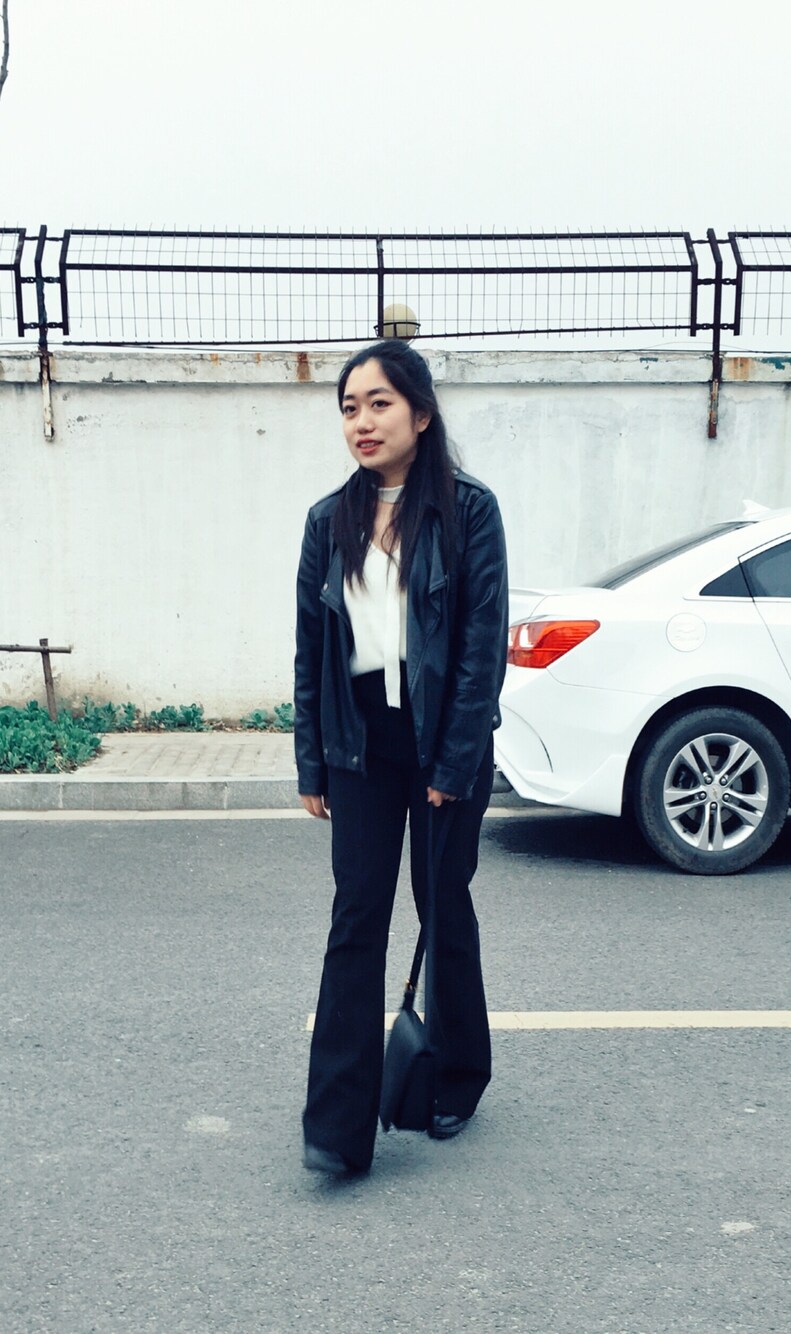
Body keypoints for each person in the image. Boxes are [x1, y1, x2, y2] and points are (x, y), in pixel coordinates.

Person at [294, 338, 509, 1176]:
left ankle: (457, 1076)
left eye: (379, 403)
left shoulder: (467, 511)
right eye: (350, 407)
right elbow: (312, 650)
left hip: (443, 743)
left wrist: (453, 765)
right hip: (362, 746)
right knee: (356, 920)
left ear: (420, 414)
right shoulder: (329, 520)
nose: (363, 421)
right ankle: (336, 1127)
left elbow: (480, 649)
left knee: (442, 907)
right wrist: (312, 763)